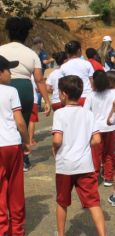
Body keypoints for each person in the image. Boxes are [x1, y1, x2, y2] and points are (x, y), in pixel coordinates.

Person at [52, 75, 106, 236]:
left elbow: (57, 139)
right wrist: (83, 144)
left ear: (63, 94)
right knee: (93, 203)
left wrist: (54, 148)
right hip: (85, 165)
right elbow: (97, 139)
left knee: (62, 202)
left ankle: (61, 234)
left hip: (65, 166)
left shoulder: (60, 113)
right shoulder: (88, 114)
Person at [0, 16, 51, 171]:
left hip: (3, 86)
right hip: (24, 89)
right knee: (23, 121)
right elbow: (39, 79)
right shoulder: (31, 53)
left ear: (9, 33)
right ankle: (24, 158)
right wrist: (47, 101)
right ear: (26, 35)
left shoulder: (1, 49)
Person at [0, 55, 30, 236]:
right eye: (8, 69)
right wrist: (26, 142)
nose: (10, 73)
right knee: (15, 187)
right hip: (11, 144)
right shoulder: (10, 91)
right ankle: (17, 229)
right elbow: (20, 122)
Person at [84, 71, 115, 186]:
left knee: (95, 154)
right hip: (110, 127)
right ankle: (108, 177)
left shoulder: (91, 95)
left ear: (94, 81)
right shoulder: (114, 93)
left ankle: (94, 176)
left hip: (95, 129)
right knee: (109, 153)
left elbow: (85, 112)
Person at [59, 40, 94, 106]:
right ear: (79, 51)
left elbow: (61, 85)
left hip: (71, 99)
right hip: (86, 97)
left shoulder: (63, 67)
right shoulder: (87, 64)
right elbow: (92, 81)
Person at [32, 36, 54, 111]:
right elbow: (44, 62)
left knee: (35, 88)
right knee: (40, 87)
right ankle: (38, 105)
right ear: (40, 43)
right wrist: (51, 59)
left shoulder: (31, 51)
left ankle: (34, 105)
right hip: (40, 70)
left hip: (31, 71)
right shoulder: (41, 51)